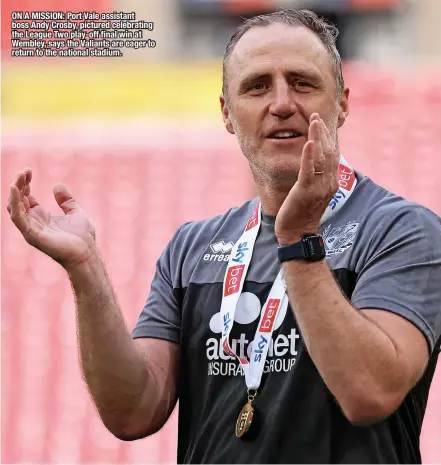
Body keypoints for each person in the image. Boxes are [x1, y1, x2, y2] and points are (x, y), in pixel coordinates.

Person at [7, 8, 441, 464]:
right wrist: (85, 269)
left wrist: (297, 240)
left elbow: (370, 392)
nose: (281, 103)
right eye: (257, 86)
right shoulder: (192, 248)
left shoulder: (402, 231)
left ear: (343, 103)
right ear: (228, 114)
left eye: (302, 82)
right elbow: (133, 412)